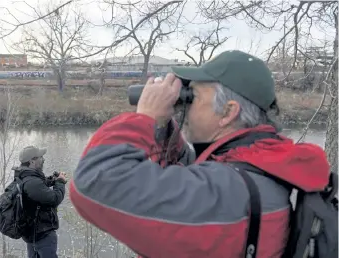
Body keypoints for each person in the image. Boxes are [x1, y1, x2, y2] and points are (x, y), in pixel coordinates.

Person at [69, 50, 330, 257]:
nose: (184, 106)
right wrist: (161, 127)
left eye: (192, 97)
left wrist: (146, 118)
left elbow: (95, 181)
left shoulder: (230, 192)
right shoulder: (262, 165)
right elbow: (192, 172)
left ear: (228, 112)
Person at [13, 146, 67, 258]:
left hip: (31, 234)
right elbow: (54, 199)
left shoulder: (23, 176)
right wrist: (60, 182)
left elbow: (37, 189)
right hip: (42, 235)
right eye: (41, 157)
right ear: (32, 161)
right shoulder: (32, 182)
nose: (43, 159)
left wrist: (52, 180)